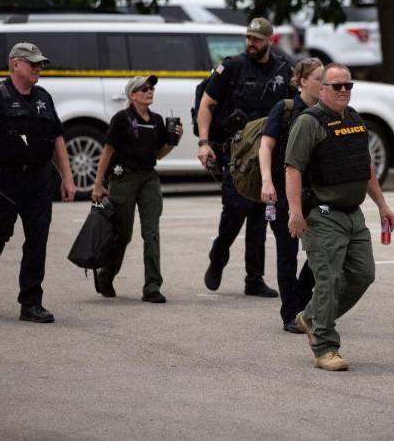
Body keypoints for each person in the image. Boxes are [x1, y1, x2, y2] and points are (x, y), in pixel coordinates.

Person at [285, 63, 394, 371]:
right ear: (322, 89)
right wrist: (295, 212)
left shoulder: (355, 120)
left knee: (363, 274)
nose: (344, 90)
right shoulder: (309, 122)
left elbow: (366, 167)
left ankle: (312, 317)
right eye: (337, 86)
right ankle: (325, 347)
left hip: (353, 215)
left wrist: (382, 204)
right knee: (329, 280)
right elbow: (292, 169)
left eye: (348, 85)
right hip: (322, 215)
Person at [0, 42, 76, 323]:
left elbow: (57, 138)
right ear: (15, 64)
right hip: (4, 178)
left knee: (37, 240)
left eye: (40, 63)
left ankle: (31, 302)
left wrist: (67, 176)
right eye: (33, 63)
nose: (39, 68)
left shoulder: (43, 97)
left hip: (39, 179)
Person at [197, 17, 293, 297]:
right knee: (235, 211)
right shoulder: (233, 66)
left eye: (257, 39)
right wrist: (204, 142)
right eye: (248, 38)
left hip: (270, 152)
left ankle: (254, 279)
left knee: (262, 215)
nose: (250, 43)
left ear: (269, 41)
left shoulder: (283, 68)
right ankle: (219, 254)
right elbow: (207, 104)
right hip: (237, 152)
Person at [91, 75, 183, 303]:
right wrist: (98, 183)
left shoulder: (157, 120)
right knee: (123, 234)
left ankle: (152, 286)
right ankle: (107, 275)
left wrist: (172, 141)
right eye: (143, 88)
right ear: (132, 95)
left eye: (151, 88)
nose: (149, 91)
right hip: (123, 178)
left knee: (151, 233)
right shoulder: (121, 119)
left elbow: (157, 155)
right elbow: (108, 152)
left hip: (148, 177)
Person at [259, 58, 322, 333]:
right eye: (319, 78)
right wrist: (267, 182)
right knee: (288, 253)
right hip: (284, 193)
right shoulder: (284, 109)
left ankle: (301, 298)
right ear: (302, 81)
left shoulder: (325, 111)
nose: (325, 84)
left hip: (316, 194)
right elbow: (266, 146)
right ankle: (290, 313)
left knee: (321, 249)